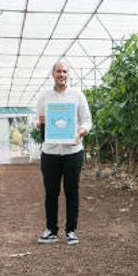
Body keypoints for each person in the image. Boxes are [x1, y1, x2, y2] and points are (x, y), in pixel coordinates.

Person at [36, 61, 92, 245]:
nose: (62, 75)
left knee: (72, 191)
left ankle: (71, 231)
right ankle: (51, 230)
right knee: (51, 192)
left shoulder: (77, 95)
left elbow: (87, 122)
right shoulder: (44, 97)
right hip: (50, 152)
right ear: (52, 74)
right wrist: (39, 123)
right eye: (58, 71)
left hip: (73, 151)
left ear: (69, 74)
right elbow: (40, 122)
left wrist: (79, 132)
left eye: (65, 71)